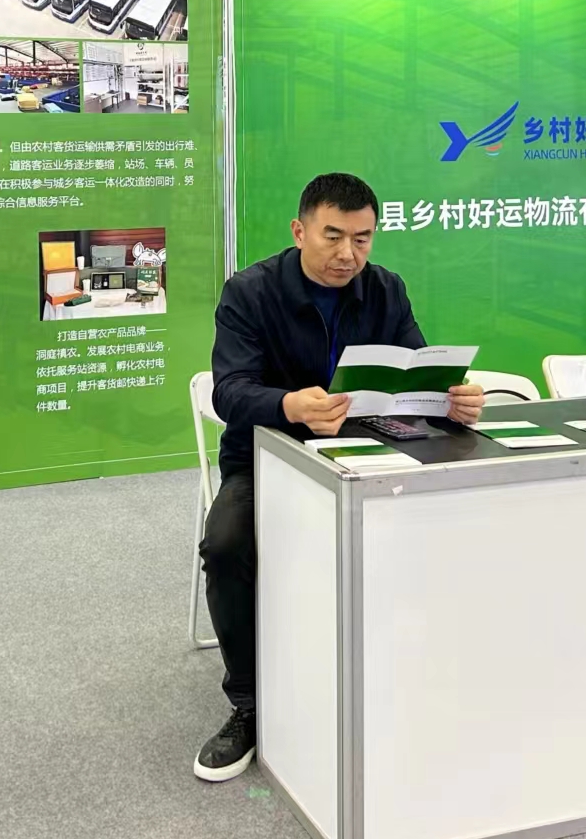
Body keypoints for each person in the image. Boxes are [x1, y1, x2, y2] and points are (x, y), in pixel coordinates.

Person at [193, 171, 485, 782]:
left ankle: (409, 676)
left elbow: (416, 376)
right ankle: (249, 704)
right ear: (300, 231)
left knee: (445, 519)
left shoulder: (385, 289)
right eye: (333, 236)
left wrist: (453, 400)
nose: (348, 254)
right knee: (225, 544)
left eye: (362, 238)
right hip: (267, 455)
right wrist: (289, 405)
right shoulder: (250, 292)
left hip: (368, 455)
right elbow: (229, 392)